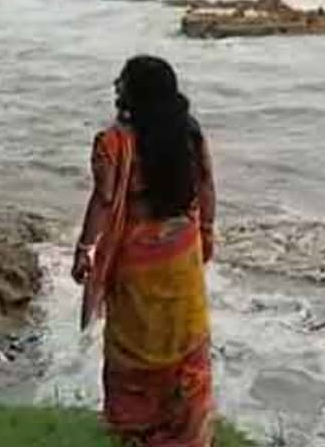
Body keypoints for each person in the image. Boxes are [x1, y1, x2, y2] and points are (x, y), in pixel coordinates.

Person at [71, 55, 216, 447]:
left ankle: (139, 434)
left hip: (137, 264)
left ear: (132, 92)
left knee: (135, 352)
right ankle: (186, 435)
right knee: (184, 343)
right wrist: (206, 232)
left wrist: (85, 248)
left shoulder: (113, 142)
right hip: (182, 255)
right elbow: (206, 186)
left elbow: (103, 201)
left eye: (122, 82)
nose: (116, 87)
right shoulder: (188, 133)